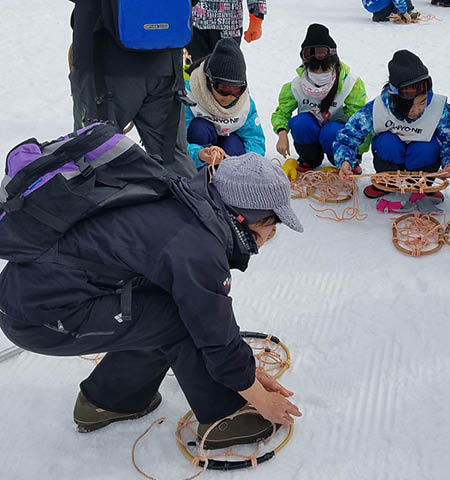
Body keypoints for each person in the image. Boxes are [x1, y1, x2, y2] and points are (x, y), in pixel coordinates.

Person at [0, 152, 303, 447]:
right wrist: (259, 398)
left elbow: (206, 315)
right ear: (244, 218)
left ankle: (110, 400)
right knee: (178, 319)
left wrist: (246, 372)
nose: (271, 237)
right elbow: (212, 330)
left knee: (171, 307)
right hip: (41, 316)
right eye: (272, 227)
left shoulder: (187, 201)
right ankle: (224, 415)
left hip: (29, 294)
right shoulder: (198, 247)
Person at [68, 0, 197, 179]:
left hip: (101, 60)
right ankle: (193, 204)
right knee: (173, 160)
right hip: (164, 57)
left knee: (94, 158)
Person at [334, 50, 450, 201]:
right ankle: (385, 181)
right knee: (387, 142)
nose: (417, 110)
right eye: (410, 106)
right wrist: (345, 160)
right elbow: (348, 136)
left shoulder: (439, 109)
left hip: (421, 159)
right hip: (391, 157)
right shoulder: (377, 108)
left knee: (427, 147)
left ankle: (423, 185)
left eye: (422, 102)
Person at [272, 24, 369, 176]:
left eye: (324, 70)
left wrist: (357, 154)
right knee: (300, 122)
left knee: (331, 131)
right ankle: (309, 158)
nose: (319, 74)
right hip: (310, 132)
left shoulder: (351, 84)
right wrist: (282, 133)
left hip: (337, 137)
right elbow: (282, 112)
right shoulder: (295, 86)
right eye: (314, 70)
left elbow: (361, 121)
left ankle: (344, 161)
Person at [184, 39, 266, 169]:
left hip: (228, 145)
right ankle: (201, 172)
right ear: (209, 80)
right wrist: (199, 154)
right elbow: (177, 143)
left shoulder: (245, 104)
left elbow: (255, 139)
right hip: (201, 149)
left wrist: (251, 165)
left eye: (236, 90)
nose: (229, 97)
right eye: (223, 88)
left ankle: (229, 174)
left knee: (233, 145)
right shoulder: (189, 96)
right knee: (200, 128)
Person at [188, 0, 266, 62]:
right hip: (195, 21)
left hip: (228, 24)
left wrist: (256, 18)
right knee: (195, 71)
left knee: (227, 72)